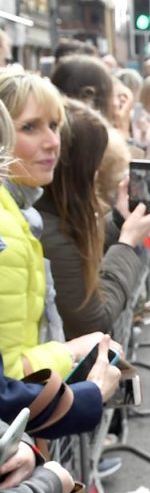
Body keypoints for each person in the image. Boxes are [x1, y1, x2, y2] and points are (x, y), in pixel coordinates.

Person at [0, 71, 124, 384]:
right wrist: (73, 353)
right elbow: (9, 373)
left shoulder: (22, 215)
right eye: (30, 127)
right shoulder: (7, 229)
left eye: (55, 126)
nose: (53, 142)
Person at [37, 99, 150, 340]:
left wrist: (119, 221)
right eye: (94, 165)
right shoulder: (48, 232)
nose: (96, 174)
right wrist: (126, 244)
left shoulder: (50, 213)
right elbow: (93, 320)